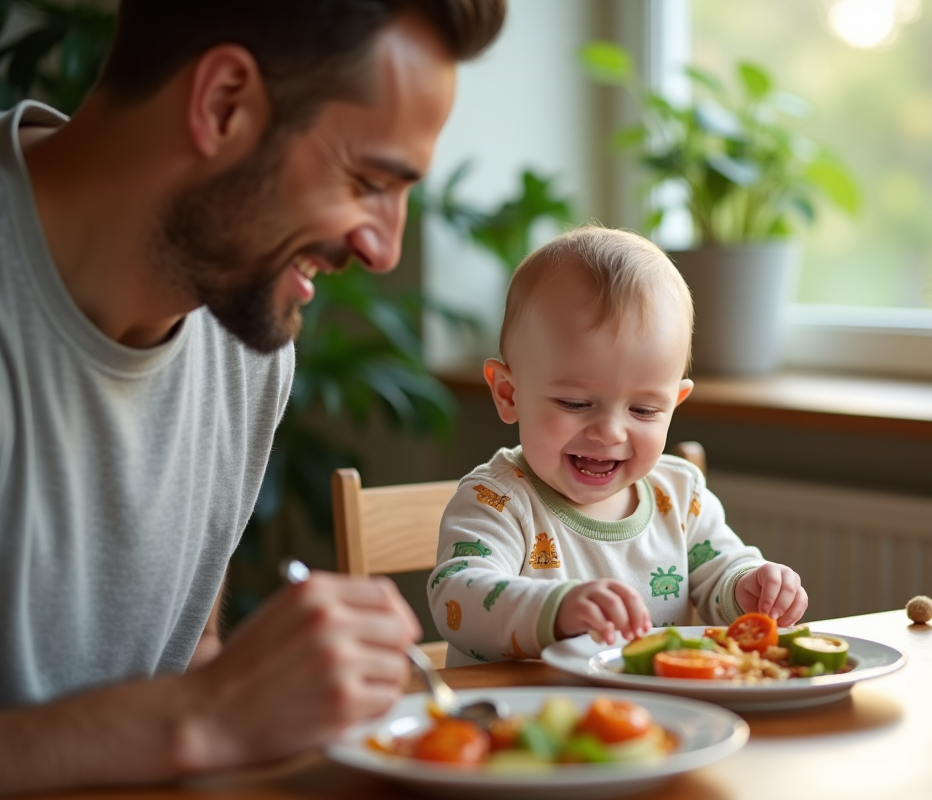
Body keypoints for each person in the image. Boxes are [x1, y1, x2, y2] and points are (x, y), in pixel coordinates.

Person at [0, 0, 505, 792]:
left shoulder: (244, 343)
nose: (384, 248)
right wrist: (203, 714)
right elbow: (189, 709)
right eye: (369, 180)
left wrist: (264, 690)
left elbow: (185, 662)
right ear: (222, 103)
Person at [427, 226, 809, 667]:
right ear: (509, 394)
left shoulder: (679, 495)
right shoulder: (496, 500)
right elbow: (456, 599)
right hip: (521, 722)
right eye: (575, 402)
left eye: (644, 411)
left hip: (651, 725)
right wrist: (556, 611)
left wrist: (750, 589)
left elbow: (720, 573)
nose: (610, 432)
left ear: (674, 405)